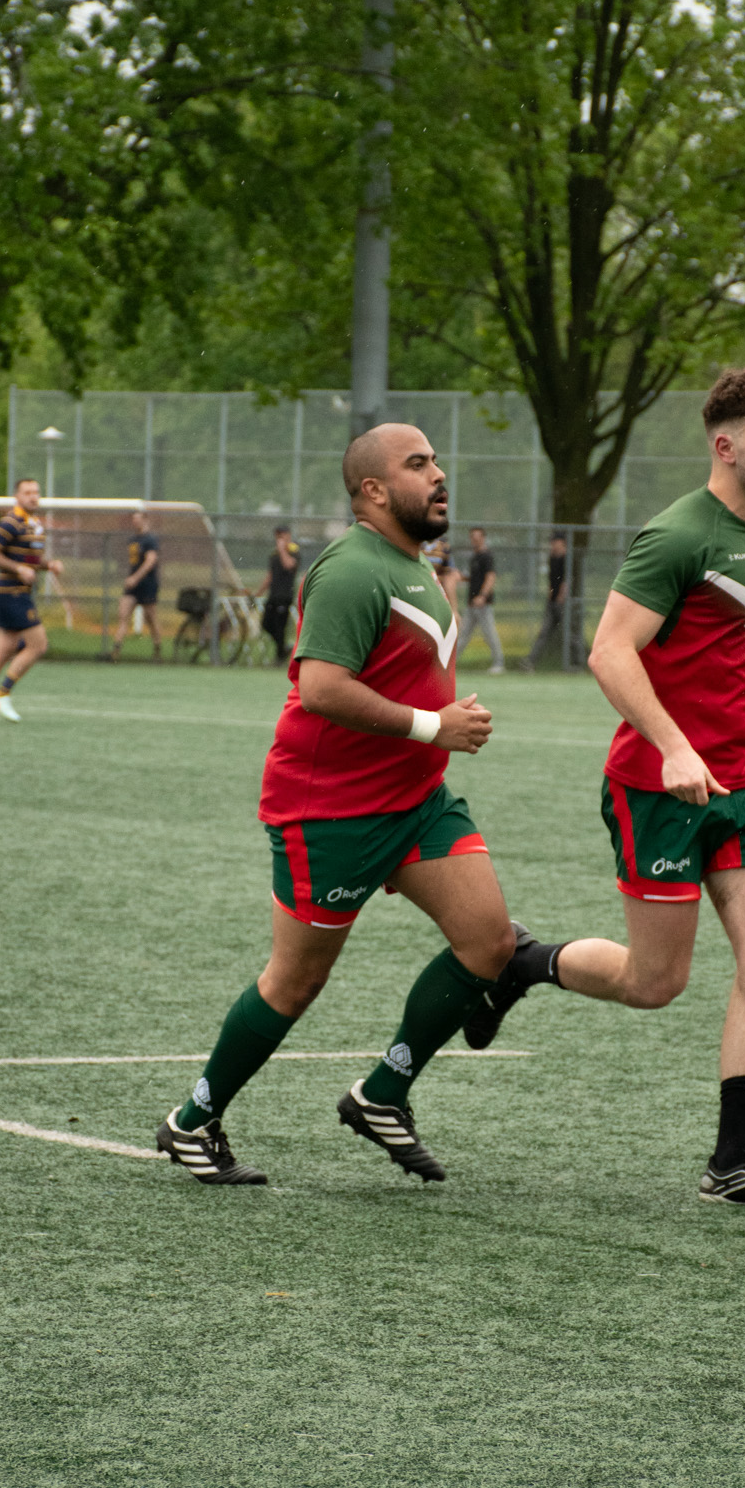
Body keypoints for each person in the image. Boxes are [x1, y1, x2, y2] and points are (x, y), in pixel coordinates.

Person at [463, 365, 745, 1210]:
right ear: (726, 447)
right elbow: (610, 650)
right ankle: (524, 965)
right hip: (658, 787)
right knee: (655, 983)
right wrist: (675, 748)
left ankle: (734, 1163)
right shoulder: (677, 534)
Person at [153, 423, 516, 1187]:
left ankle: (382, 1093)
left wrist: (434, 729)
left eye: (437, 461)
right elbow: (320, 688)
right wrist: (432, 725)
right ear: (373, 491)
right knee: (295, 982)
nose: (439, 474)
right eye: (418, 465)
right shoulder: (353, 569)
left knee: (488, 944)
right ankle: (192, 1121)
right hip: (332, 812)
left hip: (416, 799)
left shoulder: (413, 563)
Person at [0, 477, 62, 722]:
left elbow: (31, 562)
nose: (33, 497)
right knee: (38, 645)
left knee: (4, 649)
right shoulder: (11, 522)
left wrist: (48, 566)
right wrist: (17, 569)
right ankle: (2, 693)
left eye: (36, 492)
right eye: (27, 492)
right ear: (17, 496)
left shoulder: (33, 523)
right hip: (11, 593)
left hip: (16, 594)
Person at [109, 507, 162, 661]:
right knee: (123, 614)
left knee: (150, 618)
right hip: (132, 584)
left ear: (145, 520)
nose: (135, 521)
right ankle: (116, 651)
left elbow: (150, 561)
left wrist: (136, 578)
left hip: (147, 583)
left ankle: (157, 650)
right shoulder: (133, 540)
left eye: (138, 518)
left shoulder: (150, 539)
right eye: (134, 519)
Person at [459, 525, 506, 673]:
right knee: (463, 634)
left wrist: (483, 596)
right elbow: (474, 578)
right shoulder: (474, 557)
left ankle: (499, 663)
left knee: (489, 633)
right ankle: (449, 665)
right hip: (471, 603)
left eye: (478, 537)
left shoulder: (486, 556)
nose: (474, 540)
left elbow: (491, 577)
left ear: (483, 538)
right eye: (472, 537)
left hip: (482, 603)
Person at [520, 531, 569, 671]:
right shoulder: (552, 557)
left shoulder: (567, 557)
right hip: (552, 601)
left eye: (555, 541)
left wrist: (561, 595)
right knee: (544, 631)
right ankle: (530, 662)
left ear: (562, 542)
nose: (552, 544)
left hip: (563, 602)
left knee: (569, 632)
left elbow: (567, 579)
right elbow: (551, 579)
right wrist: (551, 594)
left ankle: (575, 662)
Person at [252, 524, 299, 664]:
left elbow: (289, 565)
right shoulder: (274, 554)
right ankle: (283, 648)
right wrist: (258, 592)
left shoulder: (293, 551)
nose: (280, 539)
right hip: (273, 595)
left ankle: (280, 656)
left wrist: (282, 550)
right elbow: (270, 575)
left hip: (284, 596)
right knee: (266, 624)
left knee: (280, 627)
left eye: (283, 535)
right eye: (278, 536)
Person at [426, 536, 460, 614]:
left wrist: (454, 610)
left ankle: (453, 612)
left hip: (435, 587)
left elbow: (450, 574)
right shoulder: (414, 542)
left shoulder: (443, 547)